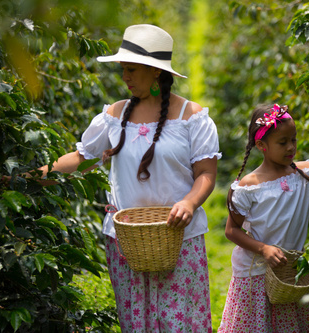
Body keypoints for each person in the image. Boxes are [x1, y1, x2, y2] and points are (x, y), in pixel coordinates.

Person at [36, 24, 220, 332]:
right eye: (124, 70)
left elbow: (206, 174)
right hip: (127, 242)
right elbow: (83, 159)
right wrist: (38, 175)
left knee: (180, 323)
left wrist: (189, 202)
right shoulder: (114, 115)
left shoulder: (192, 117)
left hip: (178, 238)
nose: (126, 77)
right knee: (136, 322)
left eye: (132, 69)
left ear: (155, 72)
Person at [217, 104, 309, 332]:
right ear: (261, 145)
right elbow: (231, 231)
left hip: (289, 274)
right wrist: (263, 249)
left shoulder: (305, 174)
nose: (291, 147)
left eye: (294, 139)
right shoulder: (250, 186)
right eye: (283, 142)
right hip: (256, 274)